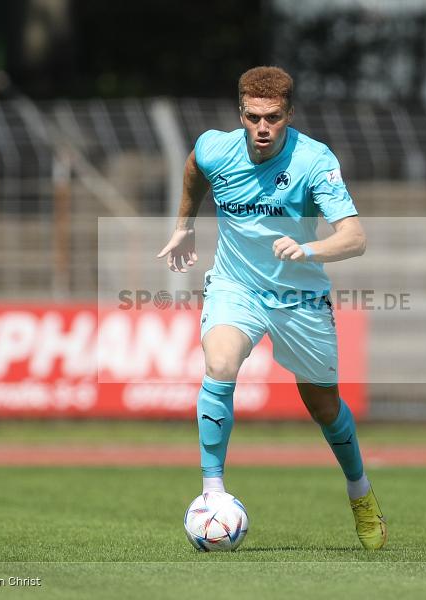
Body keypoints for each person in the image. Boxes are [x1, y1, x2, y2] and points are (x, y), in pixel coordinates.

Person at [157, 66, 386, 550]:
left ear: (289, 114)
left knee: (324, 406)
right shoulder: (217, 147)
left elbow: (355, 237)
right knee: (219, 362)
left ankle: (359, 490)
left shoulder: (313, 161)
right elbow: (195, 166)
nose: (263, 128)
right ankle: (212, 494)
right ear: (240, 112)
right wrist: (185, 224)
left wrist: (311, 251)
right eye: (253, 116)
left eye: (273, 118)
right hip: (236, 285)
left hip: (300, 296)